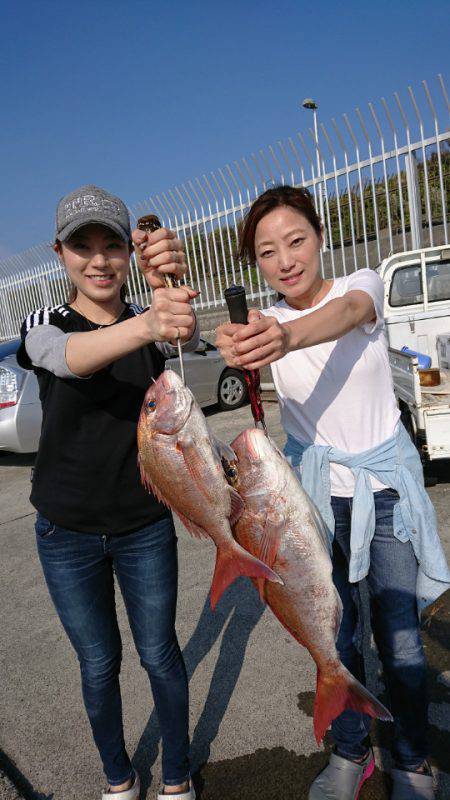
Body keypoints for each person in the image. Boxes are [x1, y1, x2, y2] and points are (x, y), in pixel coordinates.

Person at [216, 185, 450, 800]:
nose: (286, 260)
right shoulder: (266, 323)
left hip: (385, 492)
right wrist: (231, 341)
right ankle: (350, 753)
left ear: (320, 237)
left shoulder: (362, 286)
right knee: (336, 634)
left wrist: (286, 340)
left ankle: (413, 761)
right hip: (314, 504)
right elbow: (233, 343)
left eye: (296, 241)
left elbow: (345, 315)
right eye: (268, 252)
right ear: (256, 265)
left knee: (399, 636)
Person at [17, 184, 200, 800]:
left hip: (145, 524)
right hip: (64, 533)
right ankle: (119, 778)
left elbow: (191, 339)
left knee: (159, 655)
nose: (98, 260)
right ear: (60, 253)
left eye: (111, 245)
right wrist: (146, 322)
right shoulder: (44, 323)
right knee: (98, 664)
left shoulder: (153, 319)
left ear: (129, 250)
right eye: (82, 246)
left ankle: (176, 775)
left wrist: (170, 293)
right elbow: (69, 359)